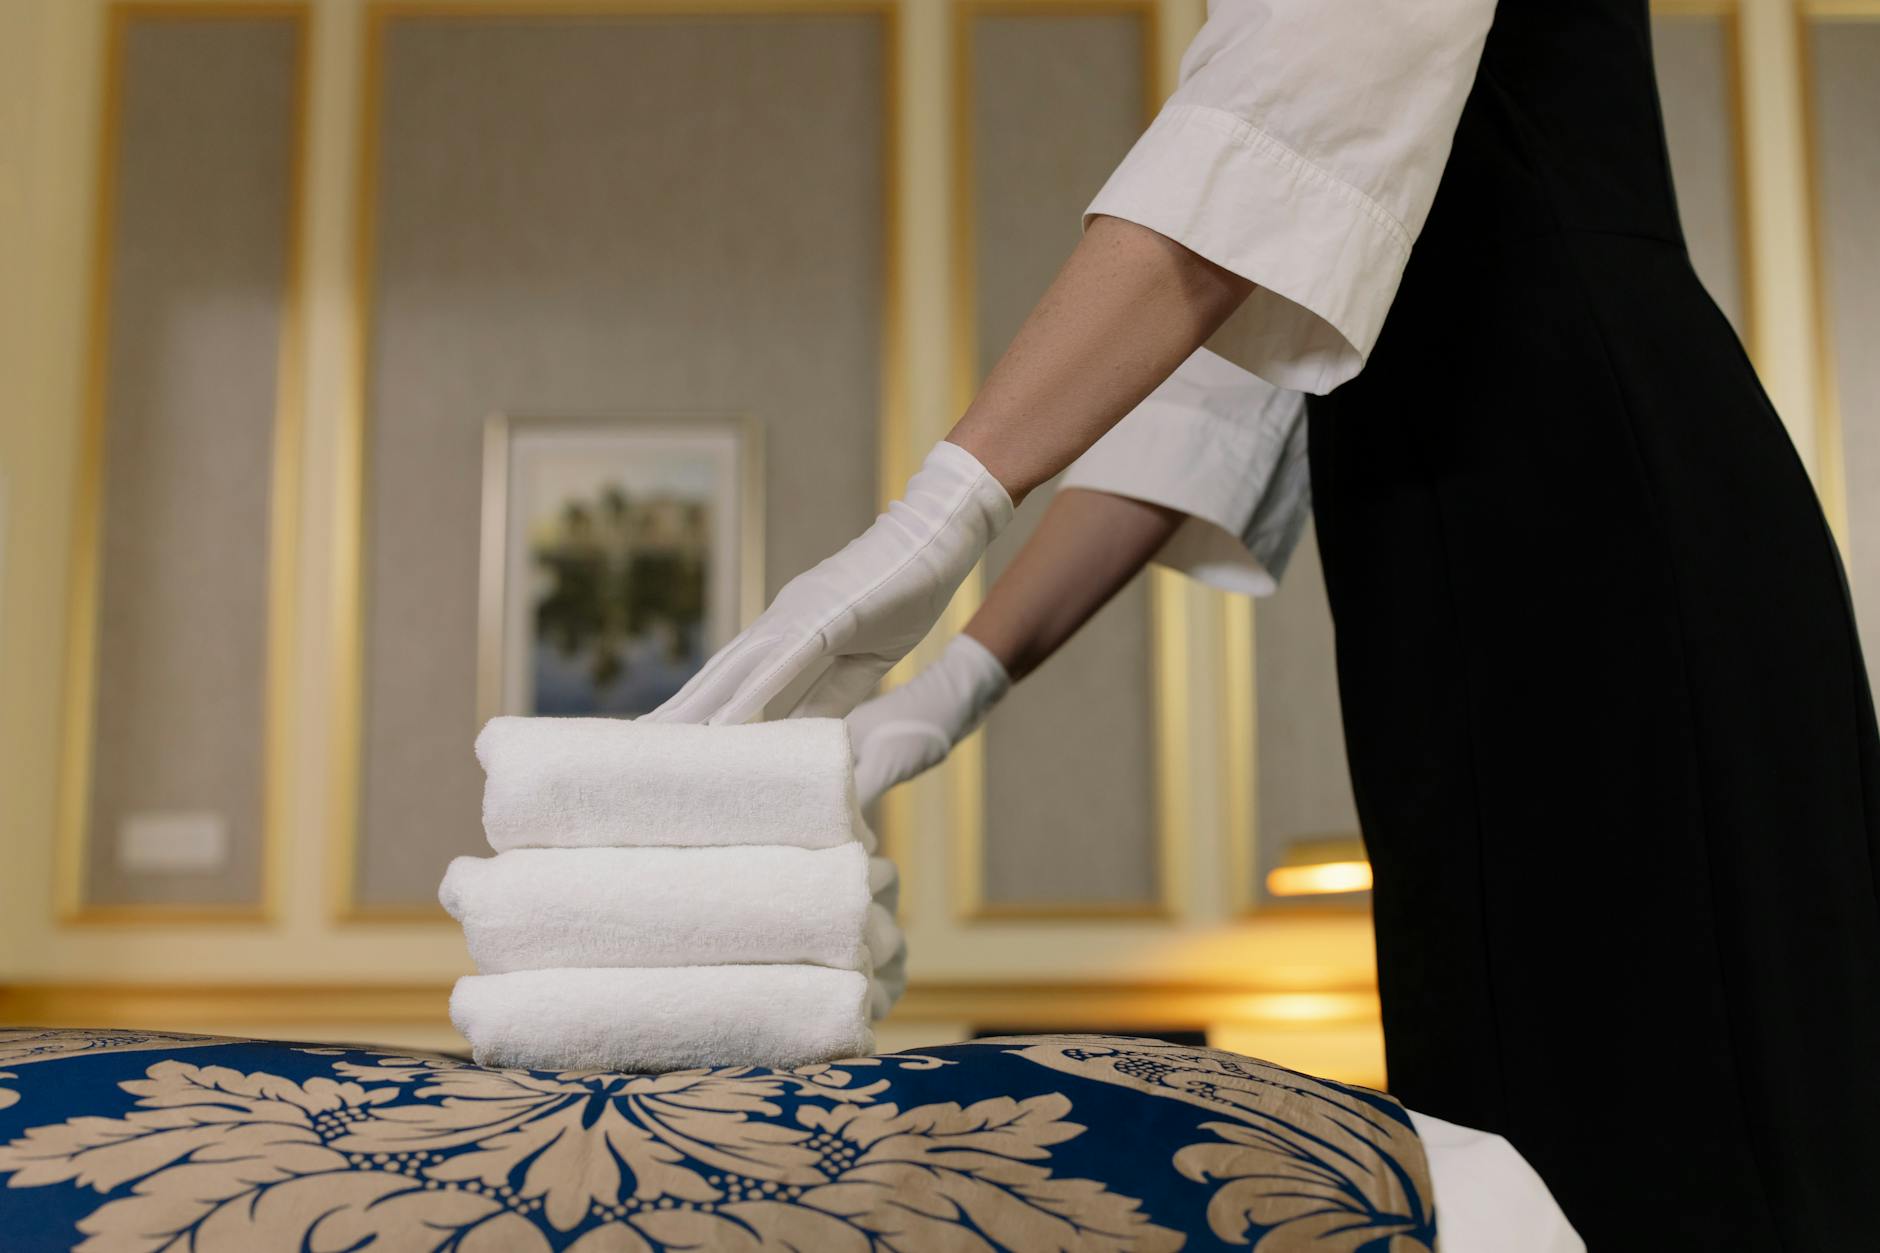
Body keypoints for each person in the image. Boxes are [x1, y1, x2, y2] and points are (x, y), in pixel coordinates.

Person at [650, 0, 1880, 1244]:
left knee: (1662, 1137)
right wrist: (951, 682)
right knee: (1519, 1107)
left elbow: (1278, 119)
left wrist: (938, 511)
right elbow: (1214, 391)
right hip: (1471, 539)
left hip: (1588, 524)